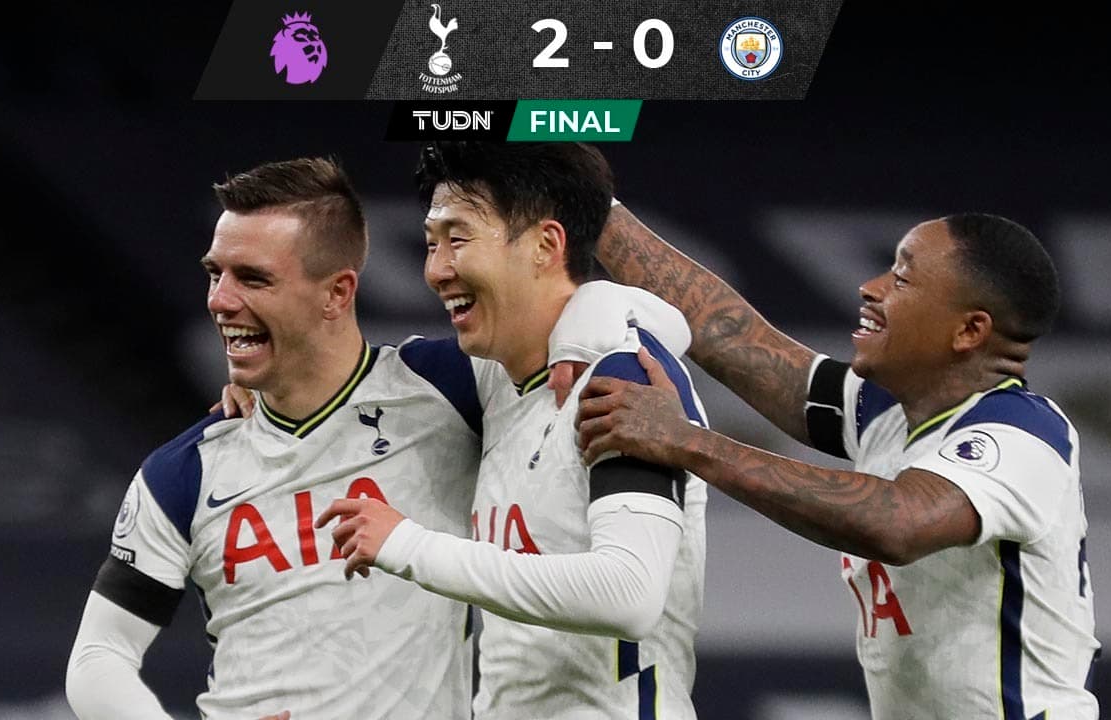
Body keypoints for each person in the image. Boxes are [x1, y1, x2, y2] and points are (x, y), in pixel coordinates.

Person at [63, 156, 686, 720]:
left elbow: (631, 321)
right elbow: (98, 656)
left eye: (252, 278)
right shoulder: (185, 470)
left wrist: (592, 315)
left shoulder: (451, 389)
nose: (220, 301)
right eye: (214, 274)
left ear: (338, 292)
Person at [571, 206, 1101, 719]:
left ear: (969, 331)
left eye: (902, 278)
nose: (870, 287)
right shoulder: (887, 413)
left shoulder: (1024, 433)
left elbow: (897, 523)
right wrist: (590, 203)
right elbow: (730, 334)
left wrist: (685, 440)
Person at [319, 142, 708, 720]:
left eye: (458, 239)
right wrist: (253, 377)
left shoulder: (625, 377)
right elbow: (330, 372)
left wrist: (408, 546)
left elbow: (628, 593)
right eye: (431, 243)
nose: (435, 270)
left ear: (545, 245)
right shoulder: (490, 376)